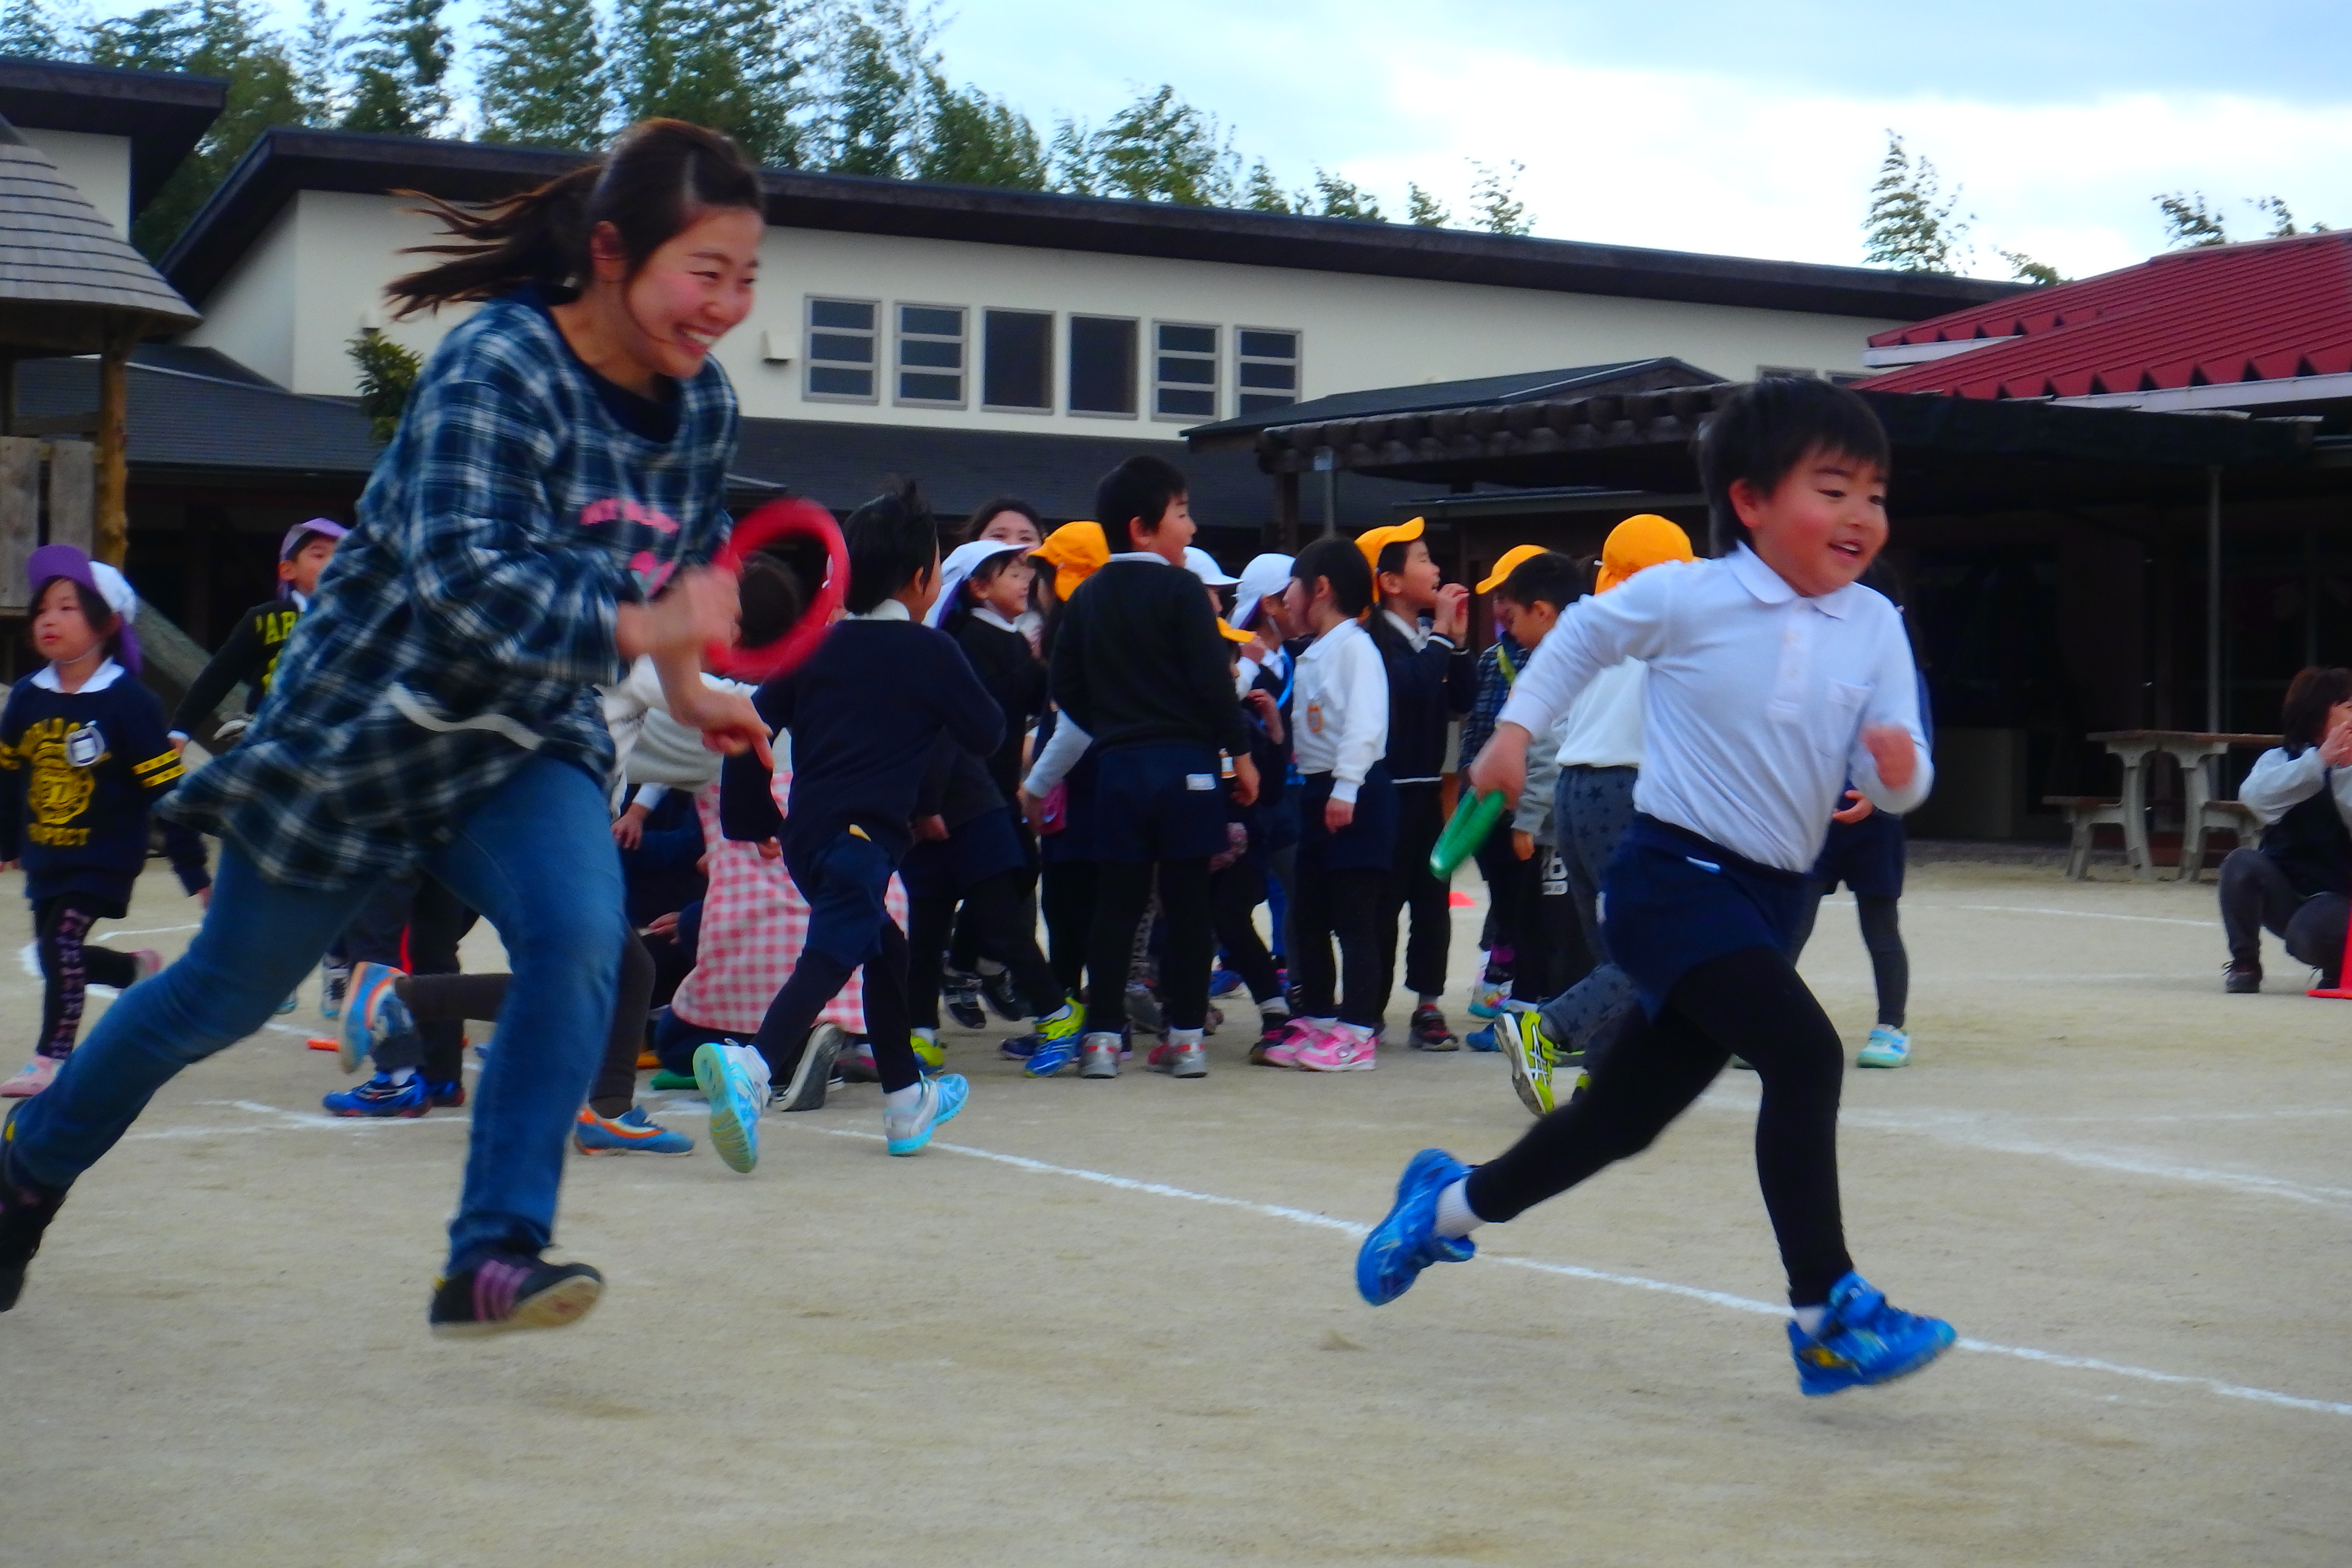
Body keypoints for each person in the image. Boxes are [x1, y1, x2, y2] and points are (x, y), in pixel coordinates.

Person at [0, 119, 772, 1330]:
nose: (725, 306)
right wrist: (644, 629)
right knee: (221, 995)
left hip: (524, 739)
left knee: (581, 936)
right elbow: (468, 579)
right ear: (613, 252)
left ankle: (494, 1252)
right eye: (704, 272)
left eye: (747, 279)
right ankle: (26, 1166)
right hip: (368, 722)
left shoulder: (702, 410)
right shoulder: (498, 364)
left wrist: (688, 687)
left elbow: (655, 580)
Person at [1359, 377, 1956, 1398]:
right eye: (1834, 489)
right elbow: (1582, 638)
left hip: (1773, 893)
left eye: (1875, 493)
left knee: (1619, 1121)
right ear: (1753, 500)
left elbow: (1902, 782)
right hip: (1672, 875)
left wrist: (1895, 768)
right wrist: (1510, 734)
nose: (1862, 515)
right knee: (1805, 1054)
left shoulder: (1874, 624)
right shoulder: (1694, 595)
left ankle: (1446, 1208)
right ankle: (1827, 1313)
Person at [700, 478, 1002, 1172]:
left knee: (883, 952)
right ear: (924, 578)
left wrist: (756, 819)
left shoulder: (813, 649)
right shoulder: (931, 653)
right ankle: (754, 1064)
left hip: (810, 838)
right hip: (865, 838)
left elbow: (750, 727)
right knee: (837, 948)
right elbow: (986, 732)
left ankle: (905, 1101)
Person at [1044, 456, 1257, 1080]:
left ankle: (1103, 1040)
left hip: (1119, 770)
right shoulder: (1183, 590)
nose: (1191, 529)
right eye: (1183, 513)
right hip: (1189, 767)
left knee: (1118, 904)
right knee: (1189, 904)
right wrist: (1239, 754)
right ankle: (1186, 1038)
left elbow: (1065, 685)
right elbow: (1213, 684)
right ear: (1143, 528)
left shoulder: (1086, 598)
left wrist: (1113, 726)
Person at [1496, 517, 1695, 1113]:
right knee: (1658, 948)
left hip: (1575, 793)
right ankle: (1547, 1028)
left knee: (1614, 954)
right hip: (1628, 790)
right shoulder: (1671, 629)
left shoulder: (1592, 627)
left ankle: (1600, 1087)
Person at [0, 549, 211, 1098]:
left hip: (105, 859)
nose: (49, 619)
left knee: (62, 944)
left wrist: (195, 874)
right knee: (56, 955)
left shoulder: (130, 703)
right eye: (43, 608)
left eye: (68, 607)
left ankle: (52, 1059)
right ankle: (132, 972)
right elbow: (6, 778)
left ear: (108, 623)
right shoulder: (25, 698)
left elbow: (170, 793)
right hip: (46, 856)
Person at [1260, 537, 1392, 1071]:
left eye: (1292, 586)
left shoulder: (1355, 648)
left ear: (1320, 589)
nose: (1285, 598)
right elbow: (1309, 727)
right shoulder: (1314, 651)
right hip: (1317, 791)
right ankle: (1316, 1018)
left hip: (1355, 793)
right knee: (1307, 912)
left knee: (1355, 917)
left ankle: (1358, 1030)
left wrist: (1346, 787)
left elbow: (1365, 722)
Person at [1357, 517, 1472, 1049]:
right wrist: (1445, 636)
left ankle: (1428, 1003)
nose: (1436, 568)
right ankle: (1369, 1006)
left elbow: (1460, 699)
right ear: (1390, 582)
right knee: (1382, 906)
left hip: (1428, 789)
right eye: (1423, 559)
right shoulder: (1372, 638)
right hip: (1388, 790)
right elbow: (1411, 687)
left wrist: (1460, 643)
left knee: (1432, 900)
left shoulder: (1427, 637)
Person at [2220, 665, 2352, 992]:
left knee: (2307, 934)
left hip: (2340, 896)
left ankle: (2340, 965)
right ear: (2317, 714)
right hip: (2287, 891)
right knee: (2240, 864)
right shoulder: (2280, 759)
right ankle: (2245, 963)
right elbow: (2254, 798)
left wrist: (2344, 771)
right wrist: (2320, 762)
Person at [168, 519, 348, 748]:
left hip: (337, 739)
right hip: (270, 738)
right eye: (319, 555)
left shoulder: (361, 620)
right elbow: (220, 675)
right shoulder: (266, 618)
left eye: (342, 555)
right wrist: (181, 730)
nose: (333, 563)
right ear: (288, 570)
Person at [1462, 544, 1547, 1027]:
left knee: (1528, 900)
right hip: (1489, 802)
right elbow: (1475, 729)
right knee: (1500, 887)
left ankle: (1517, 986)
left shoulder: (1558, 661)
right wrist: (1469, 786)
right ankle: (1499, 977)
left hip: (1531, 803)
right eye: (1495, 597)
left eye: (1505, 596)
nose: (1498, 607)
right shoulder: (1492, 660)